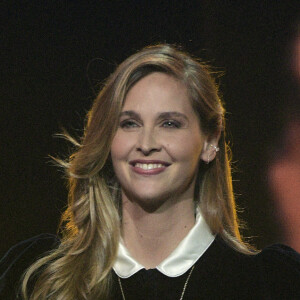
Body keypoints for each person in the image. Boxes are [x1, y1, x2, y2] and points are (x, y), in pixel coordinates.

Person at [1, 44, 300, 300]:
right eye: (129, 123)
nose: (146, 144)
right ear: (108, 139)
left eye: (169, 123)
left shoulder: (271, 284)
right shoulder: (35, 277)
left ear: (210, 140)